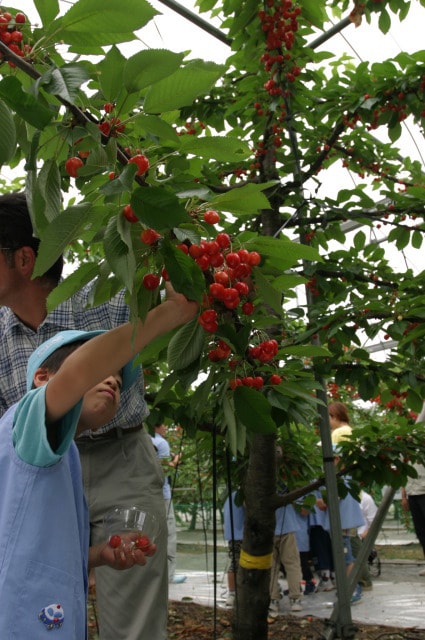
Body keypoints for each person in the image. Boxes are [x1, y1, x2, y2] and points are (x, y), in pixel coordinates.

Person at [0, 191, 197, 639]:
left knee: (132, 617)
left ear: (24, 259)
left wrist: (178, 281)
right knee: (46, 599)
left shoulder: (105, 298)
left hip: (120, 460)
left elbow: (182, 309)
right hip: (43, 480)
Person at [151, 423, 187, 584]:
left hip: (147, 495)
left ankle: (154, 574)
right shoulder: (161, 443)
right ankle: (169, 575)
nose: (165, 427)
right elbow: (164, 470)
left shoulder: (143, 440)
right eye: (163, 424)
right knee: (169, 535)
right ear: (156, 425)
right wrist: (177, 459)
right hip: (163, 495)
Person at [269, 501, 303, 616]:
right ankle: (295, 599)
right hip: (287, 527)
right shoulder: (289, 483)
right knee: (292, 564)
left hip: (267, 528)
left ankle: (273, 599)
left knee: (271, 566)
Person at [351, 489, 378, 590]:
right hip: (349, 533)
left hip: (359, 535)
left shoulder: (365, 498)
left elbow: (374, 520)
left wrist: (365, 535)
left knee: (358, 559)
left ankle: (364, 583)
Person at [401, 463, 425, 576]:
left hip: (424, 491)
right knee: (420, 532)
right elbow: (402, 474)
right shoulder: (404, 452)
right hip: (412, 493)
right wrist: (403, 496)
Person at [223, 490, 245, 607]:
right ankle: (232, 593)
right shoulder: (243, 493)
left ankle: (232, 593)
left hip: (233, 534)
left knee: (235, 562)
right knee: (236, 562)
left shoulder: (230, 495)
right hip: (241, 534)